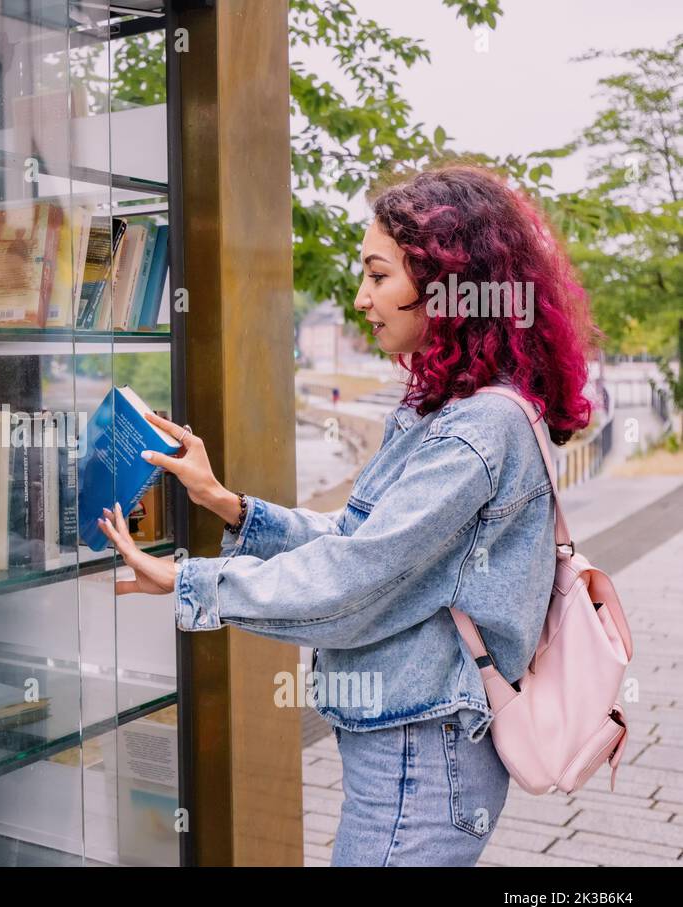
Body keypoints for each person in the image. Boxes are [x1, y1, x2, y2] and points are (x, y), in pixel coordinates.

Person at [95, 164, 599, 867]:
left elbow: (355, 577)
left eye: (379, 276)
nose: (362, 299)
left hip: (421, 754)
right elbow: (363, 539)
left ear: (450, 286)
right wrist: (229, 504)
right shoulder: (442, 410)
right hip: (410, 743)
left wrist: (189, 583)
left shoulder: (475, 430)